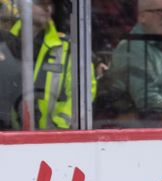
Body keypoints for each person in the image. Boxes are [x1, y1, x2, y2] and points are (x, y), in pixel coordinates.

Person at [9, 0, 96, 129]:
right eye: (41, 4)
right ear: (22, 6)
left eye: (50, 4)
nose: (48, 8)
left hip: (55, 140)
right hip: (9, 137)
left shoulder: (69, 49)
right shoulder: (4, 45)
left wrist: (59, 129)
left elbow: (84, 92)